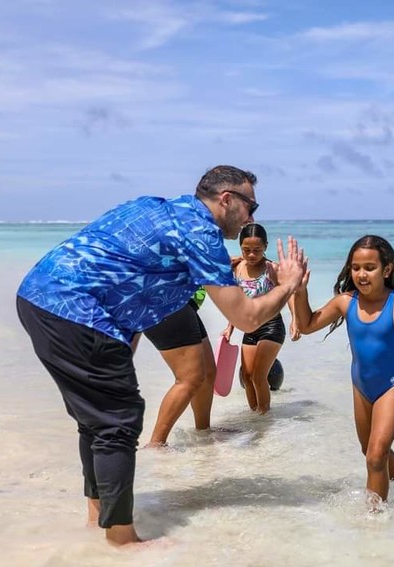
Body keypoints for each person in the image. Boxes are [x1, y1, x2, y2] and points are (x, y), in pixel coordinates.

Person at [16, 165, 307, 546]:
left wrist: (120, 352)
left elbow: (124, 275)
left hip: (39, 297)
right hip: (77, 310)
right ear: (227, 200)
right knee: (117, 421)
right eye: (251, 206)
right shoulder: (201, 232)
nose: (252, 218)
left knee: (97, 421)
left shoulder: (153, 207)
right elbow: (246, 317)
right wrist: (287, 286)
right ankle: (122, 540)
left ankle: (98, 517)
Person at [292, 235, 394, 509]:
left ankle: (375, 519)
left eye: (369, 268)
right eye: (356, 267)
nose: (361, 274)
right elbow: (306, 325)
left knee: (375, 457)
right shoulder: (345, 302)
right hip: (361, 386)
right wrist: (300, 291)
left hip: (392, 385)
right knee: (371, 451)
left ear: (386, 270)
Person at [222, 223, 299, 414]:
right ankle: (255, 416)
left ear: (265, 246)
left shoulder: (272, 268)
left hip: (272, 326)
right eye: (246, 250)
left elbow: (288, 293)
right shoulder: (237, 268)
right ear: (240, 247)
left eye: (257, 250)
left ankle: (264, 414)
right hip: (249, 327)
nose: (251, 255)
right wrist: (229, 328)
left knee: (258, 376)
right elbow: (236, 301)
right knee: (246, 376)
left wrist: (295, 319)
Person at [139, 288, 216, 447]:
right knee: (189, 379)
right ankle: (156, 444)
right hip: (165, 301)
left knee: (208, 372)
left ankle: (203, 431)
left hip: (184, 302)